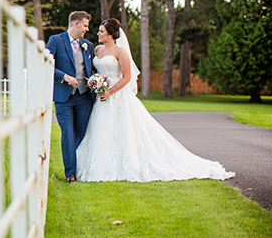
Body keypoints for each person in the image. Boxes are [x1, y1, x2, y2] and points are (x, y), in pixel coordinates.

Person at [76, 18, 235, 182]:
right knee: (102, 130)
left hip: (117, 97)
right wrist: (96, 84)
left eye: (101, 31)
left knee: (124, 131)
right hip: (101, 99)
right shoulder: (97, 50)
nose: (98, 33)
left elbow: (127, 77)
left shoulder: (120, 52)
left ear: (110, 34)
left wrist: (109, 91)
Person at [46, 11, 96, 183]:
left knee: (80, 134)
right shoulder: (56, 40)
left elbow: (92, 69)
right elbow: (45, 63)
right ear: (76, 24)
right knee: (67, 133)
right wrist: (64, 77)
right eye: (85, 25)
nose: (87, 29)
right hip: (64, 97)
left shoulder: (88, 45)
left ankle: (77, 166)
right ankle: (70, 174)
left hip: (84, 97)